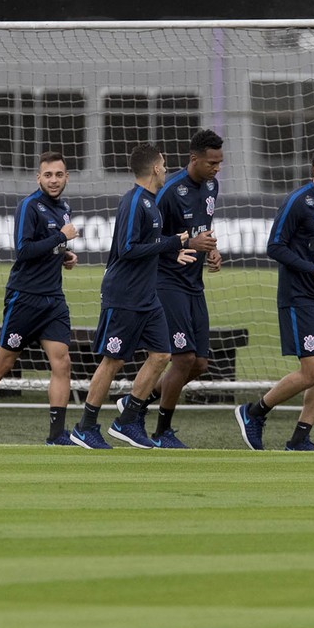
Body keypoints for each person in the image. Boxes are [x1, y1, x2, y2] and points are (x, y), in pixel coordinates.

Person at [234, 143, 314, 451]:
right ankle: (253, 412)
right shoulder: (298, 201)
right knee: (312, 370)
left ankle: (300, 438)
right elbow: (275, 247)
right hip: (298, 297)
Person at [70, 144, 194, 449]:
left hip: (146, 296)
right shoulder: (135, 201)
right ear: (154, 168)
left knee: (162, 354)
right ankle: (85, 427)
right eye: (164, 164)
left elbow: (148, 246)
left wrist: (169, 253)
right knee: (113, 361)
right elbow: (127, 250)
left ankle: (128, 419)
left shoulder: (151, 202)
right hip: (123, 295)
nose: (166, 169)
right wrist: (170, 244)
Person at [0, 151, 80, 446]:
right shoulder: (29, 206)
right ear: (38, 178)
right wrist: (61, 239)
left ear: (66, 178)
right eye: (48, 175)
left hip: (53, 299)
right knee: (4, 363)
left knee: (62, 363)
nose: (53, 180)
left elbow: (48, 247)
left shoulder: (63, 208)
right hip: (24, 298)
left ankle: (56, 435)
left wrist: (64, 255)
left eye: (59, 175)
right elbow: (24, 251)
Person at [118, 129, 223, 448]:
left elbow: (203, 227)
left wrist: (211, 250)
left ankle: (136, 400)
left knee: (200, 364)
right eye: (211, 163)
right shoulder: (168, 191)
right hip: (166, 282)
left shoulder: (211, 186)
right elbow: (150, 238)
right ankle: (162, 431)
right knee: (183, 357)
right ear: (194, 159)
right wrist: (185, 244)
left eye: (220, 163)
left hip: (193, 284)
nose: (216, 169)